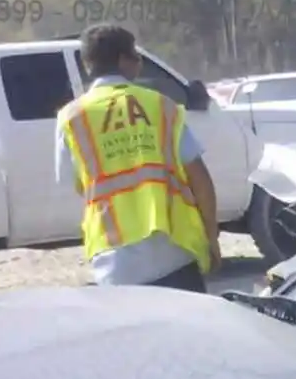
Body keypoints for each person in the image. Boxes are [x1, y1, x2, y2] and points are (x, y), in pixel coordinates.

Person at [55, 24, 221, 292]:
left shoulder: (72, 118)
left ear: (88, 66)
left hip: (115, 264)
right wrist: (211, 238)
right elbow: (200, 179)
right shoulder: (161, 106)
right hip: (175, 252)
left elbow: (74, 185)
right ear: (123, 61)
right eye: (135, 55)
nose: (140, 62)